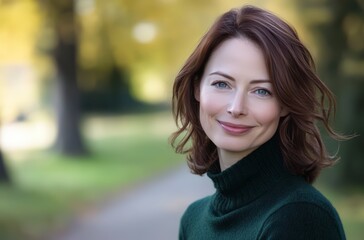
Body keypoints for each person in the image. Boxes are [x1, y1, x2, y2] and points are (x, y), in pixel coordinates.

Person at [170, 5, 347, 240]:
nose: (236, 108)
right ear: (197, 88)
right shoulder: (193, 219)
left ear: (285, 104)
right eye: (222, 84)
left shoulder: (300, 216)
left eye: (261, 91)